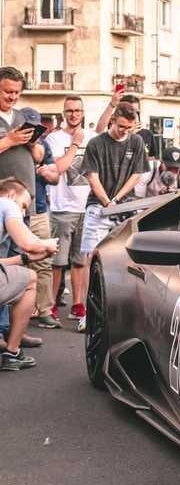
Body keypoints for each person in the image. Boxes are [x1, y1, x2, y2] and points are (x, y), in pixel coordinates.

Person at [0, 178, 58, 370]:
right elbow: (28, 243)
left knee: (18, 273)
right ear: (12, 195)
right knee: (30, 278)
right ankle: (12, 353)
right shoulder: (7, 203)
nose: (23, 213)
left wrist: (26, 259)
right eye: (23, 206)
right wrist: (47, 244)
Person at [80, 101, 149, 259]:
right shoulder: (96, 143)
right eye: (121, 126)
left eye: (129, 127)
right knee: (91, 257)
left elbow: (136, 175)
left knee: (125, 258)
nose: (125, 131)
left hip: (126, 205)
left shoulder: (136, 141)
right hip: (99, 206)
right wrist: (107, 202)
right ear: (112, 120)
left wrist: (116, 199)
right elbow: (93, 178)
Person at [46, 94, 89, 323]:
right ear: (64, 113)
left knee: (79, 261)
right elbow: (59, 167)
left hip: (86, 208)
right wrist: (75, 144)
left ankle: (77, 304)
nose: (74, 114)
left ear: (83, 113)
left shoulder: (90, 136)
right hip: (62, 207)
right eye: (70, 110)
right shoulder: (54, 138)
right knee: (58, 262)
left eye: (77, 110)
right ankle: (51, 305)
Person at [0, 66, 47, 215]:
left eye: (17, 92)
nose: (12, 97)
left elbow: (39, 157)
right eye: (8, 92)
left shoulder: (24, 117)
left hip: (24, 203)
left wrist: (33, 145)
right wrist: (9, 141)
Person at [30, 122, 60, 329]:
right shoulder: (10, 143)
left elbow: (55, 178)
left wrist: (46, 173)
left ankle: (45, 311)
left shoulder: (43, 145)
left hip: (38, 210)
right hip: (11, 209)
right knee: (12, 262)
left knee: (43, 260)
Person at [96, 89, 155, 154]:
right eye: (132, 111)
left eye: (137, 111)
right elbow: (99, 130)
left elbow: (150, 158)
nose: (134, 114)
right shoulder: (115, 132)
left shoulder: (147, 134)